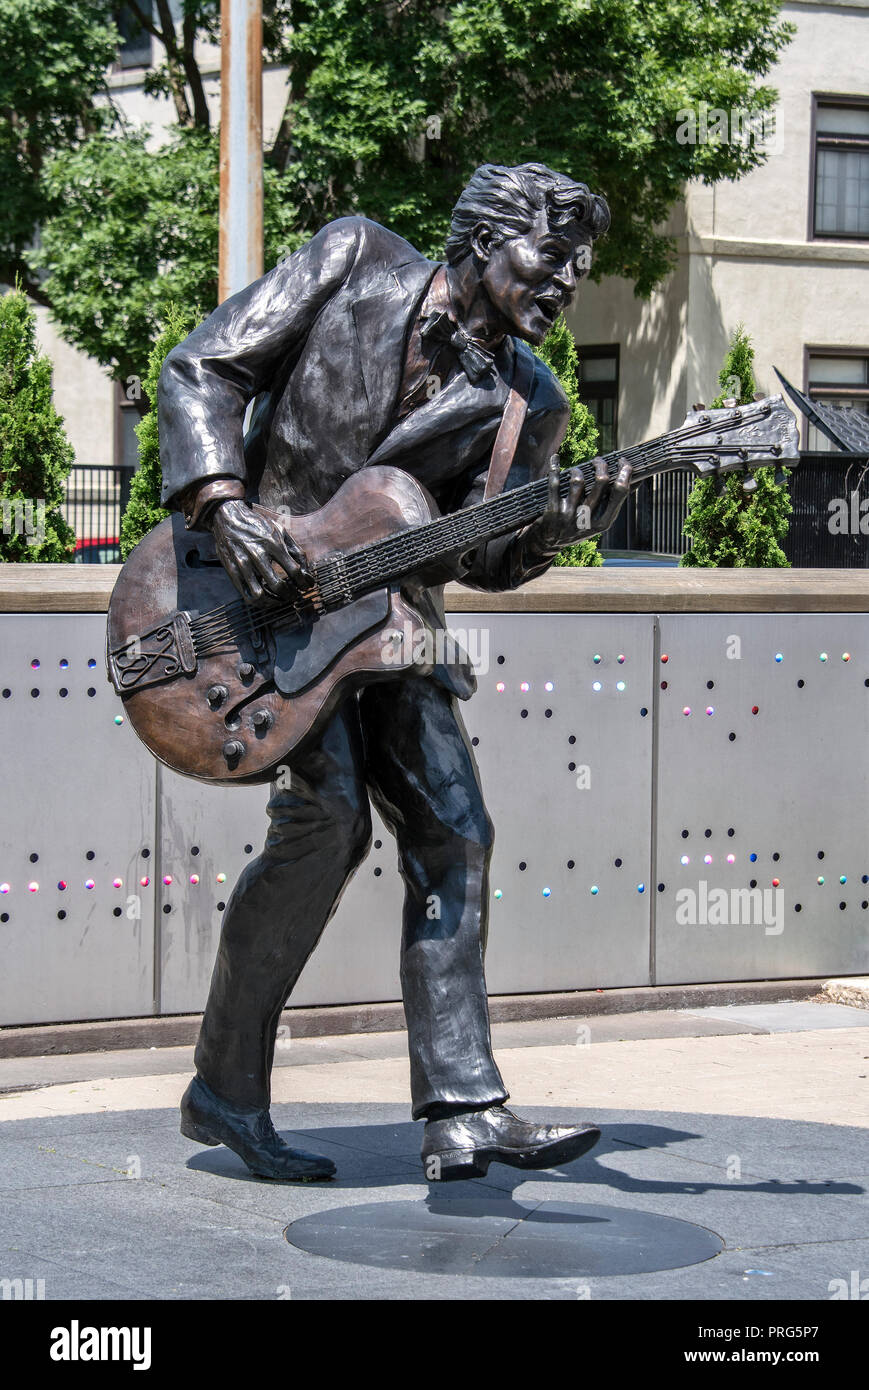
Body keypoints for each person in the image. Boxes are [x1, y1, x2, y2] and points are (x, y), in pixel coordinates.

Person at [159, 162, 631, 1182]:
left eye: (576, 271)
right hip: (247, 599)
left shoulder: (529, 401)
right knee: (326, 825)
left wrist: (560, 525)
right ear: (484, 236)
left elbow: (483, 557)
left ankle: (460, 1109)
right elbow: (203, 367)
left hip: (393, 622)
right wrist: (223, 505)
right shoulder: (353, 257)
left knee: (455, 834)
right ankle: (223, 1087)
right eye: (548, 259)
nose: (562, 286)